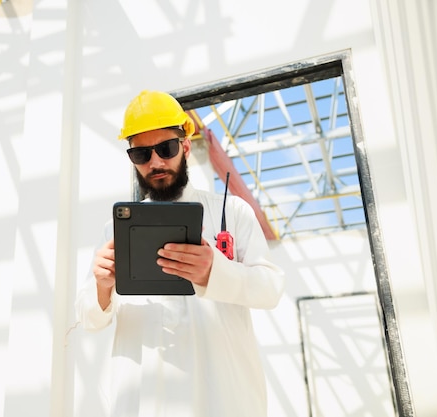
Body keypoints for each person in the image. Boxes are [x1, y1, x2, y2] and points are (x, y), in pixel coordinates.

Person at [75, 90, 285, 417]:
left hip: (223, 398)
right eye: (142, 154)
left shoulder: (232, 211)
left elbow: (270, 289)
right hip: (143, 401)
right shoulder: (113, 230)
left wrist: (214, 271)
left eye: (166, 149)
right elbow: (89, 318)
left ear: (185, 146)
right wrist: (102, 287)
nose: (156, 162)